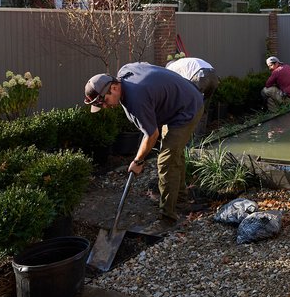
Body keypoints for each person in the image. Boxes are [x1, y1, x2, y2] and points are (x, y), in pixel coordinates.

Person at [84, 62, 204, 230]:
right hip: (176, 103)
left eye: (103, 101)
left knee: (166, 161)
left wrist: (138, 161)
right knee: (173, 154)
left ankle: (167, 218)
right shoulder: (124, 72)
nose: (104, 106)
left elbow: (151, 135)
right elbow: (145, 67)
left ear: (114, 88)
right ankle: (181, 200)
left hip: (187, 108)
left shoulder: (136, 100)